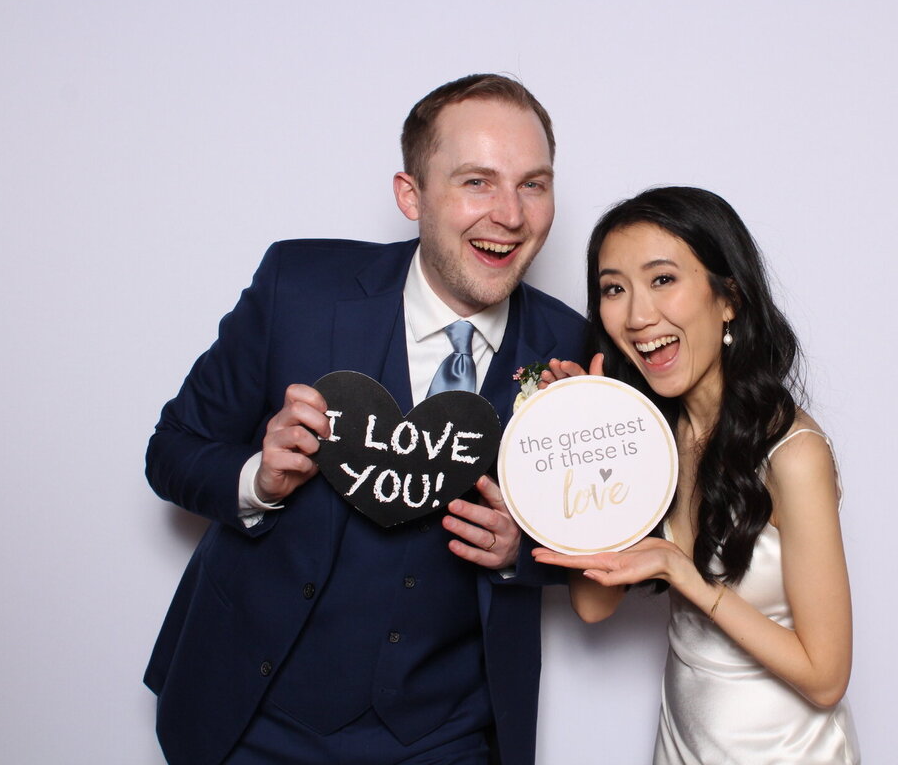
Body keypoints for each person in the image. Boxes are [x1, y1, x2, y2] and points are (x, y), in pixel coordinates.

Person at [144, 74, 586, 765]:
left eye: (533, 184)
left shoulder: (571, 351)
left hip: (446, 735)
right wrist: (257, 480)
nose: (510, 213)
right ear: (411, 195)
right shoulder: (298, 288)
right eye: (477, 182)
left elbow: (613, 539)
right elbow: (171, 451)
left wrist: (521, 550)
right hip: (256, 717)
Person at [533, 186, 860, 763]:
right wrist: (583, 449)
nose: (637, 316)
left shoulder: (793, 454)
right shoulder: (652, 436)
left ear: (727, 297)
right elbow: (592, 606)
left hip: (782, 752)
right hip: (683, 745)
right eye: (614, 288)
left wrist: (683, 575)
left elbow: (825, 677)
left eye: (663, 280)